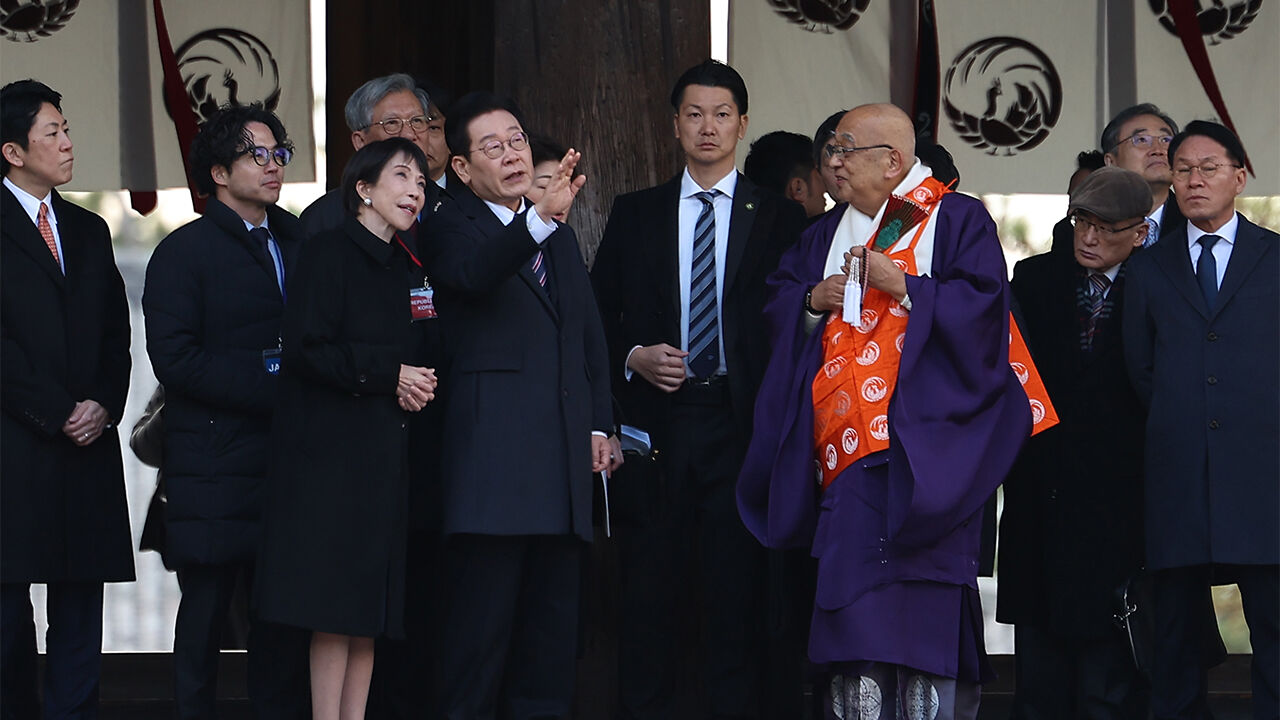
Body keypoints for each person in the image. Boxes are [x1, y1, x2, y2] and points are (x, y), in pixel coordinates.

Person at [737, 103, 1042, 718]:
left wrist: (904, 284)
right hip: (847, 455)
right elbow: (775, 306)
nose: (833, 162)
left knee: (923, 609)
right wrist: (809, 299)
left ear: (893, 161)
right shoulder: (822, 235)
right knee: (853, 613)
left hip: (929, 452)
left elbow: (986, 310)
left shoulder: (955, 219)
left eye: (847, 149)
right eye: (831, 152)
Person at [592, 59, 806, 719]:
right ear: (674, 126)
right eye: (694, 114)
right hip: (657, 430)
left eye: (721, 115)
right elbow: (594, 320)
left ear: (743, 125)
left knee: (733, 606)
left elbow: (796, 328)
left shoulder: (779, 218)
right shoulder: (637, 214)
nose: (707, 127)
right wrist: (634, 356)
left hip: (741, 429)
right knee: (647, 603)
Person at [423, 91, 612, 719]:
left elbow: (585, 334)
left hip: (559, 471)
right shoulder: (448, 221)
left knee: (549, 650)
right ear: (460, 168)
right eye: (492, 146)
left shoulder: (550, 229)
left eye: (518, 142)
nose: (511, 154)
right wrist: (538, 222)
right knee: (477, 649)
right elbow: (473, 274)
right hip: (491, 476)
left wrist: (599, 424)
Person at [255, 138, 437, 720]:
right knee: (335, 614)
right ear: (363, 188)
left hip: (386, 456)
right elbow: (307, 350)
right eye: (403, 177)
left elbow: (417, 352)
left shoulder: (409, 266)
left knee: (370, 616)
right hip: (330, 465)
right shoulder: (327, 252)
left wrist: (413, 381)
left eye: (422, 183)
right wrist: (391, 375)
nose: (416, 191)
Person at [143, 102, 308, 719]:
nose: (273, 168)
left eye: (279, 154)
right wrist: (276, 388)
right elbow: (177, 362)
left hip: (286, 460)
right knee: (206, 614)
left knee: (281, 616)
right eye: (256, 155)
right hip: (211, 459)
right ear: (218, 171)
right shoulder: (183, 252)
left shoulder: (296, 239)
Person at [1123, 120, 1278, 719]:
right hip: (1178, 472)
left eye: (1208, 168)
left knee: (1273, 625)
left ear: (1240, 176)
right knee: (1176, 637)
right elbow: (1140, 369)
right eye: (1183, 169)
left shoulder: (1275, 257)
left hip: (1263, 474)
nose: (1194, 180)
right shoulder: (1149, 266)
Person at [997, 166, 1154, 718]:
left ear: (1140, 232)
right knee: (1039, 676)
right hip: (1043, 490)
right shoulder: (1035, 278)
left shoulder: (1160, 284)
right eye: (1081, 222)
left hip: (1122, 499)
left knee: (1109, 674)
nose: (1088, 238)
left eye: (1106, 228)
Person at [0, 78, 134, 720]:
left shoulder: (86, 228)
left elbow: (115, 334)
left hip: (86, 444)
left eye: (66, 129)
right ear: (13, 151)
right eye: (51, 132)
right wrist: (54, 412)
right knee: (7, 610)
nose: (67, 142)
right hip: (16, 446)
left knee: (81, 606)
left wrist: (104, 402)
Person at [300, 73, 440, 236]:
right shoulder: (324, 217)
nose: (409, 134)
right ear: (360, 141)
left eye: (417, 121)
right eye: (392, 123)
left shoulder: (451, 208)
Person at [1101, 103, 1182, 247]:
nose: (1158, 150)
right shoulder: (1088, 225)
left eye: (1166, 140)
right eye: (1142, 140)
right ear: (1111, 162)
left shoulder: (1195, 222)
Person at [744, 130, 828, 218]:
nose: (826, 187)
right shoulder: (829, 230)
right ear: (798, 189)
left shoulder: (746, 228)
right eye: (819, 172)